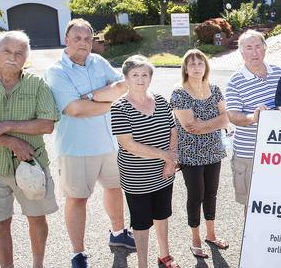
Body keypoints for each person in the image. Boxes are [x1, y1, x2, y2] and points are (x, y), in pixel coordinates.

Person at [45, 19, 134, 268]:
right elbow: (74, 108)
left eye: (87, 38)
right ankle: (78, 253)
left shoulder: (99, 62)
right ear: (67, 40)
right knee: (77, 199)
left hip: (108, 143)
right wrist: (108, 100)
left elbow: (123, 86)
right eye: (77, 38)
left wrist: (93, 97)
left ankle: (118, 233)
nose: (83, 43)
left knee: (115, 189)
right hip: (76, 148)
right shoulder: (56, 71)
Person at [0, 31, 59, 268]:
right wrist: (12, 141)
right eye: (7, 51)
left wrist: (5, 126)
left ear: (26, 57)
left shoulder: (37, 83)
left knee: (36, 218)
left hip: (32, 165)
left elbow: (47, 124)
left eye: (19, 53)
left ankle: (38, 264)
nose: (13, 57)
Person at [110, 55, 180, 268]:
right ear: (126, 78)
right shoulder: (119, 107)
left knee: (162, 214)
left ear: (150, 77)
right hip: (137, 177)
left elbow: (173, 130)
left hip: (163, 173)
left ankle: (164, 254)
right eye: (135, 75)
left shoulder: (160, 100)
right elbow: (128, 144)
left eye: (144, 74)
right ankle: (143, 264)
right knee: (141, 223)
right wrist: (165, 156)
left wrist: (170, 162)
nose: (140, 79)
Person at [170, 49, 229, 259]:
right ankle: (195, 239)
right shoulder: (179, 92)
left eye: (200, 63)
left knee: (211, 194)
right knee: (196, 196)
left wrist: (204, 124)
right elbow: (188, 126)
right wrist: (215, 123)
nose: (197, 67)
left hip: (214, 151)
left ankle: (211, 234)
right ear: (185, 68)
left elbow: (226, 118)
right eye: (192, 64)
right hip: (190, 154)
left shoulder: (215, 89)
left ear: (206, 66)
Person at [224, 30, 281, 209]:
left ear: (265, 50)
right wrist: (253, 117)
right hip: (249, 155)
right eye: (248, 48)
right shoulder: (235, 81)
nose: (254, 52)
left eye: (258, 47)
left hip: (279, 153)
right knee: (252, 207)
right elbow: (233, 116)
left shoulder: (280, 73)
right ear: (242, 53)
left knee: (280, 204)